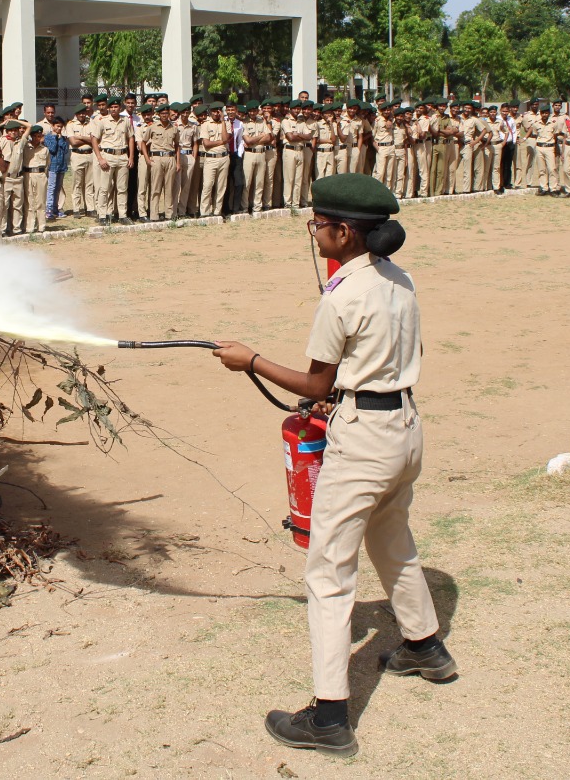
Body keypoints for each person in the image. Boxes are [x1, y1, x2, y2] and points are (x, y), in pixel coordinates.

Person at [210, 174, 454, 757]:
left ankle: (329, 717)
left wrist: (252, 361)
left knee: (328, 574)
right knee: (393, 539)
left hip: (364, 442)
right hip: (404, 428)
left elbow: (317, 379)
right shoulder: (399, 278)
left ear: (345, 232)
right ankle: (424, 644)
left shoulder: (342, 295)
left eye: (319, 223)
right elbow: (404, 353)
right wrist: (349, 387)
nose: (313, 231)